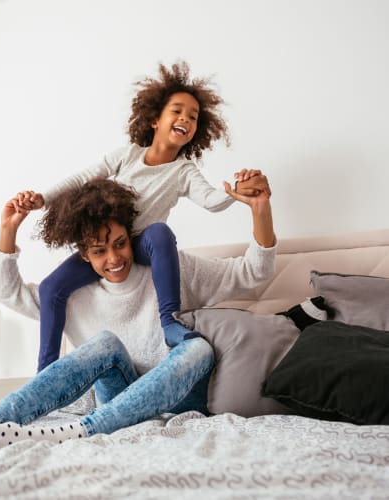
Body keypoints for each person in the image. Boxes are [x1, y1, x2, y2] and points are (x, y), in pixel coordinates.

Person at [0, 175, 275, 449]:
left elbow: (252, 273)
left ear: (131, 238)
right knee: (104, 343)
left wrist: (260, 210)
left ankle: (82, 430)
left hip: (183, 397)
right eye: (99, 251)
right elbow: (8, 293)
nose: (113, 259)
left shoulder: (172, 269)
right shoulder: (74, 296)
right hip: (118, 400)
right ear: (84, 256)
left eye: (120, 244)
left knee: (199, 347)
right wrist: (8, 231)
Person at [16, 61, 270, 372]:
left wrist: (233, 192)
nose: (185, 119)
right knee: (49, 288)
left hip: (140, 246)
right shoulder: (128, 155)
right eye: (177, 111)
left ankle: (170, 322)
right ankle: (47, 371)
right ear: (154, 119)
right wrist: (42, 199)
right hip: (110, 243)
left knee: (160, 232)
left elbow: (211, 201)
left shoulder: (183, 171)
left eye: (193, 117)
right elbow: (84, 176)